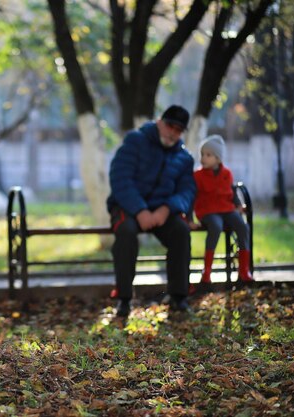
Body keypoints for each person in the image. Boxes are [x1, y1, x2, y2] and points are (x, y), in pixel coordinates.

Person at [106, 105, 196, 317]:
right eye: (170, 126)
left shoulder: (184, 158)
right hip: (127, 206)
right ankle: (124, 298)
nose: (173, 133)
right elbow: (120, 179)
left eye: (179, 130)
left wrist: (167, 209)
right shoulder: (134, 141)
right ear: (159, 122)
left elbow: (187, 190)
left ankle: (178, 297)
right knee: (126, 232)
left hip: (162, 210)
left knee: (181, 232)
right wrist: (139, 210)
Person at [192, 134, 254, 287]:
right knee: (216, 227)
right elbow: (192, 196)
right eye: (202, 155)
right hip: (208, 211)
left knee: (242, 226)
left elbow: (231, 192)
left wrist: (239, 206)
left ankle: (244, 270)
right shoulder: (198, 176)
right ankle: (206, 272)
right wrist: (189, 218)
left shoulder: (226, 173)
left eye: (208, 155)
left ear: (218, 158)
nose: (203, 158)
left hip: (226, 208)